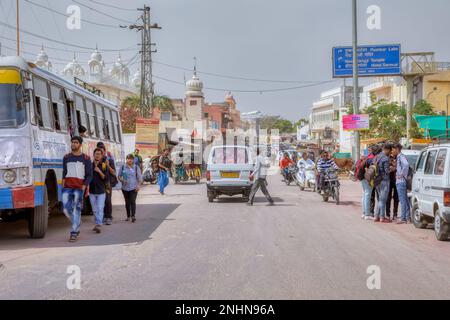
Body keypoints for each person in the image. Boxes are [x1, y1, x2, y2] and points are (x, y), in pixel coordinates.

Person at [62, 136, 92, 242]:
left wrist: (84, 186)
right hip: (67, 187)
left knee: (77, 209)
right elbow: (64, 172)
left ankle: (74, 232)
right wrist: (63, 184)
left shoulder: (86, 158)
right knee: (66, 209)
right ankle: (77, 221)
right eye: (72, 142)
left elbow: (89, 175)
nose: (73, 144)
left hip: (79, 188)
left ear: (80, 144)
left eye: (75, 142)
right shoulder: (66, 157)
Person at [89, 148, 109, 234]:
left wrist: (99, 171)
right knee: (94, 209)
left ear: (101, 156)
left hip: (101, 191)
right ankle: (97, 222)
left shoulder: (104, 165)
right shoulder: (89, 165)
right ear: (93, 155)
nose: (97, 155)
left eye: (99, 154)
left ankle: (98, 224)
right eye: (96, 154)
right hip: (92, 191)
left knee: (100, 208)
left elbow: (106, 178)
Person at [96, 142, 116, 225]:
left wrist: (108, 165)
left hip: (107, 183)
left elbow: (114, 172)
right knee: (101, 200)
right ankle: (104, 216)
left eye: (102, 152)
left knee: (108, 200)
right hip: (99, 183)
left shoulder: (109, 160)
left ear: (104, 152)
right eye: (98, 152)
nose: (100, 154)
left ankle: (109, 217)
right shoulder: (96, 160)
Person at [118, 154, 143, 223]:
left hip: (134, 188)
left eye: (131, 159)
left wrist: (138, 186)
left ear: (133, 160)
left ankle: (133, 216)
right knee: (127, 202)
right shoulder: (123, 167)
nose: (130, 160)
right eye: (128, 159)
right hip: (125, 188)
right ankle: (128, 216)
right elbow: (119, 176)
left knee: (132, 201)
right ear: (126, 159)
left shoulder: (136, 167)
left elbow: (140, 178)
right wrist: (122, 180)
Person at [392, 143, 411, 224]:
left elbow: (406, 165)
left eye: (393, 149)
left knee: (402, 200)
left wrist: (401, 175)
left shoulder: (400, 156)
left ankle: (403, 218)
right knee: (405, 200)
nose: (392, 151)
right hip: (402, 181)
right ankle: (407, 217)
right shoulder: (400, 156)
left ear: (397, 149)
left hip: (401, 181)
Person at [374, 144, 392, 223]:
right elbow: (387, 171)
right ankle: (382, 217)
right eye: (390, 151)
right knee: (383, 200)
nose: (390, 152)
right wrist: (393, 168)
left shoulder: (376, 157)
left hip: (376, 180)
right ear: (387, 150)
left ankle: (376, 216)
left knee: (379, 199)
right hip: (384, 180)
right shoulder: (385, 158)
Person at [386, 149, 399, 221]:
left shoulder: (399, 157)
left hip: (397, 180)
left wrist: (394, 167)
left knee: (396, 198)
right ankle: (387, 214)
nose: (393, 152)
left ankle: (395, 214)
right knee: (388, 198)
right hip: (389, 180)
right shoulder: (387, 158)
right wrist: (394, 167)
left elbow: (399, 168)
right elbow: (388, 169)